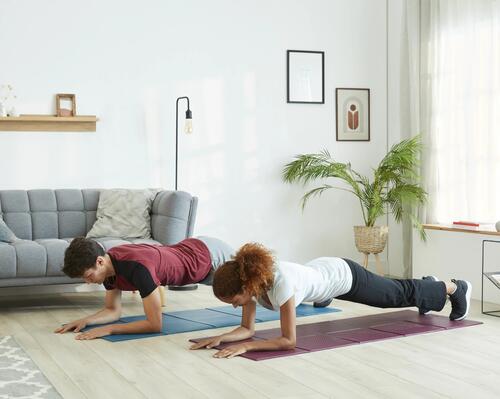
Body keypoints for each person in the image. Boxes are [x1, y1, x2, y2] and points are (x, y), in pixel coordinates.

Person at [190, 243, 472, 358]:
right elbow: (248, 329)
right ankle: (427, 286)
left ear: (245, 287)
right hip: (321, 274)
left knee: (394, 295)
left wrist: (246, 346)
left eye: (234, 300)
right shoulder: (252, 282)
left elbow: (288, 341)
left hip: (344, 276)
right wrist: (222, 337)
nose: (235, 305)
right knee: (395, 290)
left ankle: (453, 288)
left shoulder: (281, 284)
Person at [54, 236, 234, 339]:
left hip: (211, 258)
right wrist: (86, 321)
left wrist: (109, 329)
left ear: (99, 262)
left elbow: (155, 324)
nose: (88, 282)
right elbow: (112, 310)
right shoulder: (109, 267)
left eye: (88, 276)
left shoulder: (138, 268)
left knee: (256, 289)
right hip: (194, 250)